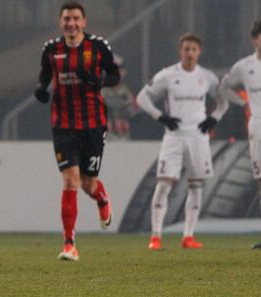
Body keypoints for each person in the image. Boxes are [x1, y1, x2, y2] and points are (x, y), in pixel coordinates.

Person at [34, 1, 120, 261]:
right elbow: (45, 75)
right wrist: (41, 89)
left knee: (87, 183)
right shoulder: (51, 49)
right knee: (70, 180)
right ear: (61, 22)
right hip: (63, 124)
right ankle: (69, 243)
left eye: (76, 19)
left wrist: (99, 81)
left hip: (93, 124)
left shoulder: (98, 46)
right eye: (67, 19)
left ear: (84, 22)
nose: (71, 24)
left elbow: (114, 76)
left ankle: (101, 196)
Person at [136, 33, 229, 250]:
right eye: (186, 49)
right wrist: (161, 117)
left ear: (199, 52)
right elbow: (142, 97)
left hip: (198, 137)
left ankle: (188, 236)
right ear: (180, 51)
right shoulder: (168, 74)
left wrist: (213, 119)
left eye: (194, 49)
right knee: (164, 184)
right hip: (174, 137)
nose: (190, 53)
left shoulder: (207, 76)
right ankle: (156, 236)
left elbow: (224, 101)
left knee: (196, 186)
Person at [219, 19, 261, 248]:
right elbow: (224, 87)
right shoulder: (244, 66)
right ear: (255, 40)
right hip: (260, 129)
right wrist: (243, 103)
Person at [101, 55, 136, 139]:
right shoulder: (100, 91)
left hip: (123, 137)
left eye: (120, 69)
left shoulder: (126, 91)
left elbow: (133, 111)